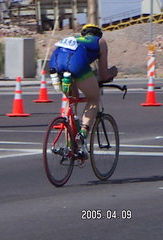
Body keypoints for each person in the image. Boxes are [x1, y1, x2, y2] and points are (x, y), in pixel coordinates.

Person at [49, 24, 118, 159]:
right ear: (98, 34)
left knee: (72, 100)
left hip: (55, 63)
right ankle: (83, 133)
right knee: (93, 98)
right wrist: (113, 72)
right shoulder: (100, 42)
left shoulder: (74, 38)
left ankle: (70, 145)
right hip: (76, 64)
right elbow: (103, 75)